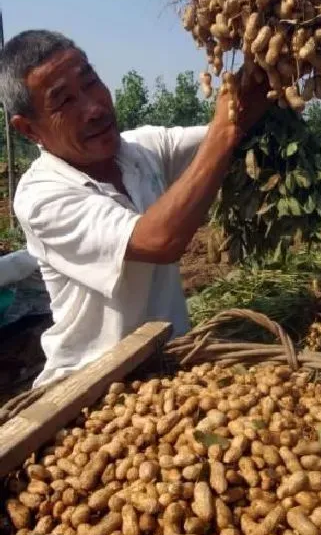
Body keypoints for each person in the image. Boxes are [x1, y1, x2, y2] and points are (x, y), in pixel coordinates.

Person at [0, 30, 268, 387]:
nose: (94, 108)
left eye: (91, 82)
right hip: (92, 388)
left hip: (171, 370)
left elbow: (226, 128)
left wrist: (267, 60)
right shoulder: (41, 196)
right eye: (63, 102)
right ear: (28, 129)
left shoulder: (139, 150)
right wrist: (227, 126)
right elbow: (159, 240)